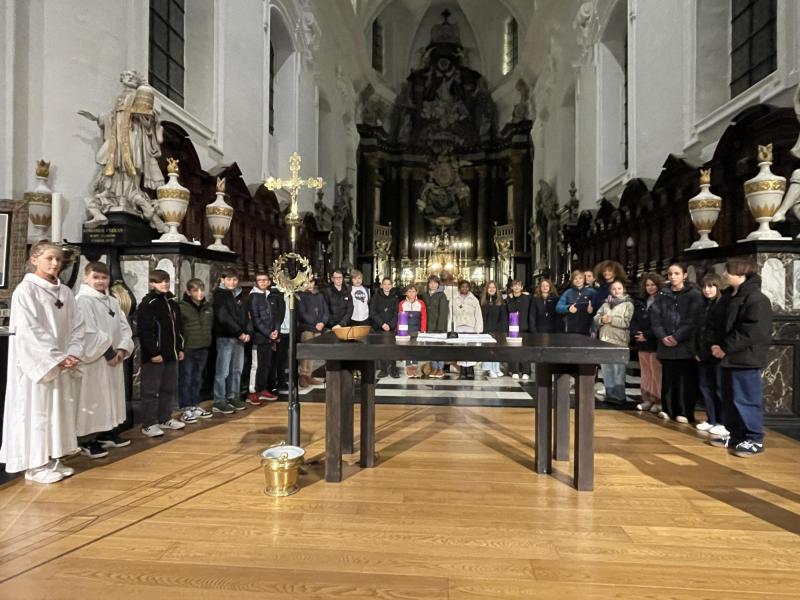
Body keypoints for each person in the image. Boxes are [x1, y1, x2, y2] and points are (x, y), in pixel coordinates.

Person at [0, 241, 84, 484]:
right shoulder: (25, 291)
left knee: (58, 411)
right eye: (49, 258)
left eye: (59, 259)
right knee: (37, 412)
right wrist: (58, 357)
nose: (55, 263)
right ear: (34, 259)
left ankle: (52, 456)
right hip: (37, 365)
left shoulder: (66, 293)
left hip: (61, 362)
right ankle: (35, 464)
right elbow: (29, 331)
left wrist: (73, 352)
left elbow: (78, 326)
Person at [710, 259, 772, 457]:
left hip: (745, 357)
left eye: (728, 271)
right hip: (727, 357)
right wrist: (713, 344)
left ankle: (754, 438)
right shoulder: (728, 297)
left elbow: (753, 331)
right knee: (730, 399)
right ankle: (736, 435)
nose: (725, 275)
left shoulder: (756, 299)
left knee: (746, 399)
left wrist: (725, 348)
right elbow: (715, 323)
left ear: (741, 273)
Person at [75, 261, 135, 458]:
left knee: (110, 397)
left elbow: (124, 327)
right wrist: (109, 353)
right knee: (94, 398)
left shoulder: (112, 301)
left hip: (114, 358)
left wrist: (122, 349)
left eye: (104, 277)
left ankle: (106, 433)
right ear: (85, 278)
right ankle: (87, 440)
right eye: (96, 277)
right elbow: (89, 332)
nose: (100, 281)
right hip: (96, 360)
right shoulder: (83, 300)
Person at [650, 263, 703, 423]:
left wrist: (677, 337)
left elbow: (692, 320)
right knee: (668, 378)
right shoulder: (662, 295)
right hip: (665, 343)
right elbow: (655, 318)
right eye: (670, 274)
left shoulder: (694, 294)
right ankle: (668, 409)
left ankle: (684, 411)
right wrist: (663, 336)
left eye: (677, 273)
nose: (673, 276)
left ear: (684, 275)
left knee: (685, 379)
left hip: (685, 344)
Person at [137, 269, 186, 437]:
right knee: (151, 391)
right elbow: (145, 331)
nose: (164, 284)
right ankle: (149, 424)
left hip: (171, 353)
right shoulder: (148, 304)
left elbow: (178, 328)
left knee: (168, 388)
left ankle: (165, 418)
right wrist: (153, 352)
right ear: (152, 284)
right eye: (160, 281)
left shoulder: (172, 303)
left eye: (166, 281)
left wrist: (179, 348)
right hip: (155, 356)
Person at [212, 270, 251, 414]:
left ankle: (233, 396)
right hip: (226, 337)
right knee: (223, 371)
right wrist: (239, 333)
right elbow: (223, 318)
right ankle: (219, 400)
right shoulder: (220, 296)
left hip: (239, 337)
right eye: (229, 279)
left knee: (236, 370)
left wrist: (247, 332)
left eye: (235, 280)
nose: (232, 282)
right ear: (222, 280)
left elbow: (246, 316)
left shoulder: (239, 295)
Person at [695, 273, 728, 435]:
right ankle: (711, 419)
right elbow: (698, 329)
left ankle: (723, 421)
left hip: (717, 352)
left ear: (718, 287)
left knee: (719, 387)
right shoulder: (702, 305)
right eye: (704, 287)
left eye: (711, 286)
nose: (707, 290)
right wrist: (697, 350)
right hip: (703, 352)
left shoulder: (722, 305)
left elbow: (720, 331)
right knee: (705, 387)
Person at [178, 278, 214, 424]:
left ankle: (195, 404)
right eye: (195, 290)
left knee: (198, 378)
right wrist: (180, 347)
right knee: (186, 378)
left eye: (201, 290)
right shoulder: (182, 307)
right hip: (188, 348)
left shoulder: (207, 307)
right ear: (188, 292)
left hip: (203, 346)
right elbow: (179, 328)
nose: (199, 293)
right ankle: (185, 407)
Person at [593, 281, 634, 403]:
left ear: (623, 289)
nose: (616, 291)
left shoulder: (628, 304)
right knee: (606, 369)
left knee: (618, 369)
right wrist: (601, 319)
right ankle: (610, 394)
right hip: (605, 339)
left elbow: (626, 322)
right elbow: (596, 319)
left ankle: (619, 396)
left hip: (619, 340)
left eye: (619, 288)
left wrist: (610, 319)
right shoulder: (606, 304)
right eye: (614, 288)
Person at [631, 272, 663, 413]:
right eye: (648, 285)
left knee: (656, 373)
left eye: (653, 285)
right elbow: (634, 319)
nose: (650, 288)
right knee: (645, 373)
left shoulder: (662, 301)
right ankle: (647, 399)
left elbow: (661, 322)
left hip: (654, 342)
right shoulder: (641, 301)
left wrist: (647, 335)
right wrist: (636, 333)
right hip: (641, 342)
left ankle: (658, 400)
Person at [246, 272, 278, 405]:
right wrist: (268, 333)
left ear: (269, 282)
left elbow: (275, 315)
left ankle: (262, 388)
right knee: (256, 365)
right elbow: (256, 319)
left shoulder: (269, 295)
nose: (263, 282)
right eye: (260, 280)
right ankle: (252, 392)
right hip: (259, 336)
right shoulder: (253, 297)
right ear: (256, 282)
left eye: (265, 280)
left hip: (269, 336)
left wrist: (276, 330)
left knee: (265, 365)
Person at [297, 276, 329, 388]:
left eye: (311, 282)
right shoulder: (300, 295)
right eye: (306, 282)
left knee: (313, 353)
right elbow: (302, 313)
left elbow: (325, 311)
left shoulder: (319, 295)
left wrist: (322, 322)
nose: (309, 284)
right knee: (306, 352)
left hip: (318, 327)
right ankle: (303, 375)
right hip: (307, 327)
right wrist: (316, 323)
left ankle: (309, 375)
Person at [452, 281, 483, 379]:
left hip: (471, 327)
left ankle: (470, 369)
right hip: (459, 326)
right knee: (460, 349)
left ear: (469, 288)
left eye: (466, 287)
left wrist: (478, 329)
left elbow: (478, 315)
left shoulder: (474, 300)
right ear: (459, 288)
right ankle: (462, 370)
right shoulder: (454, 299)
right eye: (462, 287)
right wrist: (450, 328)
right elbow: (451, 315)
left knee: (470, 349)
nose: (464, 288)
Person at [420, 274, 449, 378]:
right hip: (428, 326)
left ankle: (440, 368)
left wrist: (441, 328)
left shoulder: (442, 295)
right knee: (431, 348)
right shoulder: (424, 295)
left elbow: (443, 313)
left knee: (439, 348)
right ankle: (434, 367)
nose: (432, 285)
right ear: (428, 284)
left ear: (438, 284)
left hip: (438, 326)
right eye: (430, 282)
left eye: (435, 283)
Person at [370, 277, 400, 379]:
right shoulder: (376, 297)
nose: (387, 286)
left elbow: (397, 313)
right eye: (385, 284)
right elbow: (373, 312)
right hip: (379, 326)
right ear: (381, 285)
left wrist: (390, 325)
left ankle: (393, 369)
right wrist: (382, 324)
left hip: (391, 327)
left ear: (392, 286)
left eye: (389, 284)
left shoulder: (395, 297)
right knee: (382, 348)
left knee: (393, 348)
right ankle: (383, 369)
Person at [505, 278, 531, 380]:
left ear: (521, 287)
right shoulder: (508, 299)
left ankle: (526, 371)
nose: (516, 287)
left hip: (524, 327)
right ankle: (514, 370)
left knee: (525, 350)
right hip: (512, 329)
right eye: (514, 285)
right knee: (513, 350)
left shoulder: (527, 298)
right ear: (511, 287)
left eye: (518, 285)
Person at [398, 285, 427, 378]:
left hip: (417, 329)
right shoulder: (402, 303)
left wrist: (423, 330)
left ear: (416, 293)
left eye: (413, 291)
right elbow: (400, 318)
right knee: (407, 349)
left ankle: (414, 366)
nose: (411, 293)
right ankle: (408, 367)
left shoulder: (421, 303)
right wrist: (400, 331)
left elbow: (424, 317)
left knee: (415, 349)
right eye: (409, 291)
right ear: (406, 293)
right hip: (406, 330)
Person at [556, 270, 596, 335]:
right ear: (572, 281)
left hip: (588, 329)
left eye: (580, 278)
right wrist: (568, 308)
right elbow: (558, 307)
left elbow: (600, 308)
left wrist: (592, 310)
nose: (578, 280)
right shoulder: (568, 292)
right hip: (571, 328)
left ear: (584, 279)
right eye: (575, 279)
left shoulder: (592, 292)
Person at [480, 281, 506, 378]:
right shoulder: (483, 301)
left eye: (494, 287)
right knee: (488, 350)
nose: (491, 289)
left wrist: (504, 330)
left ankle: (496, 368)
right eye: (489, 287)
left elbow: (504, 317)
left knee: (497, 350)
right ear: (486, 290)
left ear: (496, 290)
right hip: (486, 329)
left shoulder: (500, 302)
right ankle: (489, 369)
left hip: (498, 329)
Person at [265, 277, 287, 396]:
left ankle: (279, 382)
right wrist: (275, 332)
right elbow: (274, 316)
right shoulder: (274, 296)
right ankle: (271, 385)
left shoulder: (280, 295)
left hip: (280, 331)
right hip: (275, 333)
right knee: (274, 361)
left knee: (280, 360)